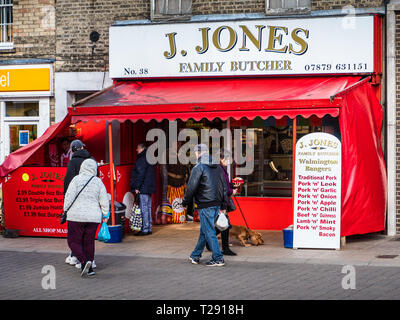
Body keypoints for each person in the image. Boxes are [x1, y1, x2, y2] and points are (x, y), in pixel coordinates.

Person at [182, 144, 227, 267]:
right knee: (205, 231)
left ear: (198, 153)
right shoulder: (218, 167)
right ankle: (195, 255)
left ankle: (218, 258)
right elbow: (223, 187)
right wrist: (223, 205)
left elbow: (191, 188)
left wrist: (185, 202)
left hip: (205, 204)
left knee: (209, 231)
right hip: (216, 203)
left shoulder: (198, 167)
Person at [64, 159, 109, 277]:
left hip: (76, 216)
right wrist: (105, 215)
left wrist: (65, 210)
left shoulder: (76, 180)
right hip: (93, 217)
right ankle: (89, 269)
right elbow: (104, 200)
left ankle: (84, 261)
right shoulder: (98, 182)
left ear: (82, 167)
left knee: (73, 241)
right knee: (89, 242)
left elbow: (69, 197)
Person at [64, 139, 97, 269]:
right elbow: (98, 183)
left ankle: (77, 258)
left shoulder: (72, 162)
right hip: (92, 204)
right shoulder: (92, 161)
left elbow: (68, 184)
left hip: (77, 204)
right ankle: (87, 259)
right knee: (88, 237)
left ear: (72, 150)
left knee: (75, 234)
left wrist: (66, 204)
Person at [130, 142, 156, 236]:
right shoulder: (149, 158)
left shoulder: (142, 159)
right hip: (149, 187)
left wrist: (137, 187)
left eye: (137, 148)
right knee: (148, 207)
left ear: (142, 149)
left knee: (144, 208)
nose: (136, 150)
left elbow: (140, 174)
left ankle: (145, 229)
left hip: (143, 187)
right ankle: (148, 227)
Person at [216, 149, 237, 256]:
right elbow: (222, 188)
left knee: (223, 225)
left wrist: (232, 185)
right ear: (221, 159)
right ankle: (225, 248)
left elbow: (225, 184)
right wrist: (231, 191)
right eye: (226, 159)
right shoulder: (219, 169)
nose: (228, 161)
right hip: (221, 202)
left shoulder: (221, 169)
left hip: (221, 201)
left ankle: (209, 242)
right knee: (225, 225)